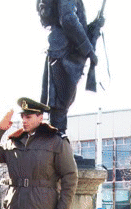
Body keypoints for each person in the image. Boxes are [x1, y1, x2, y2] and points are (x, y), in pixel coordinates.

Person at [37, 0, 103, 135]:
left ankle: (59, 142)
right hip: (64, 52)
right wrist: (88, 50)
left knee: (62, 104)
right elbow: (68, 19)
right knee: (59, 104)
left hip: (62, 50)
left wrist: (94, 26)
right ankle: (58, 143)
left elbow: (73, 23)